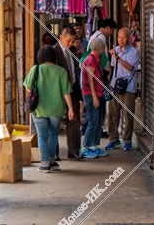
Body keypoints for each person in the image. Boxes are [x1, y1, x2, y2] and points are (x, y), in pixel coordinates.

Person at [23, 45, 74, 172]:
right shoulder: (61, 71)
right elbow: (66, 92)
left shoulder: (36, 69)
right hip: (56, 109)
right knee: (53, 135)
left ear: (40, 56)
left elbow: (28, 87)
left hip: (39, 109)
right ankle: (51, 160)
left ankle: (45, 163)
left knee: (42, 136)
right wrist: (71, 109)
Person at [106, 27, 141, 151]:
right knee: (113, 114)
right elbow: (112, 68)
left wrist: (117, 58)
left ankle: (127, 141)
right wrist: (110, 83)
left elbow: (130, 67)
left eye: (124, 37)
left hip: (128, 88)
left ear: (129, 38)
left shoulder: (134, 52)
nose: (121, 40)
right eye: (119, 37)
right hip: (115, 87)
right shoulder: (115, 50)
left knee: (128, 115)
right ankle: (113, 139)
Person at [81, 34, 109, 159]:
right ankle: (86, 147)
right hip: (91, 95)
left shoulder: (94, 59)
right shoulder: (91, 60)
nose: (104, 50)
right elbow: (90, 80)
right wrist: (94, 96)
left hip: (96, 94)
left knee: (97, 121)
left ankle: (93, 145)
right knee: (93, 120)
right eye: (103, 48)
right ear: (99, 48)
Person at [58, 25, 83, 160]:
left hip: (72, 89)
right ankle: (54, 154)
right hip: (59, 91)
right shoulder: (54, 51)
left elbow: (75, 72)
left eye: (72, 40)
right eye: (68, 40)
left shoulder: (73, 51)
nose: (70, 43)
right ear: (61, 37)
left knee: (74, 120)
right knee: (56, 121)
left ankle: (74, 150)